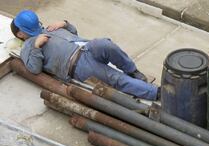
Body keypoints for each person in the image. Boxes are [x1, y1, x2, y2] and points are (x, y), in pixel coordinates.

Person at [10, 10, 159, 101]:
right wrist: (36, 47)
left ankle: (132, 70)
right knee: (115, 78)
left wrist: (65, 24)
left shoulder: (48, 28)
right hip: (77, 65)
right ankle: (155, 93)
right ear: (20, 34)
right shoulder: (28, 47)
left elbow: (74, 33)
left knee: (106, 44)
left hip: (87, 47)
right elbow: (34, 69)